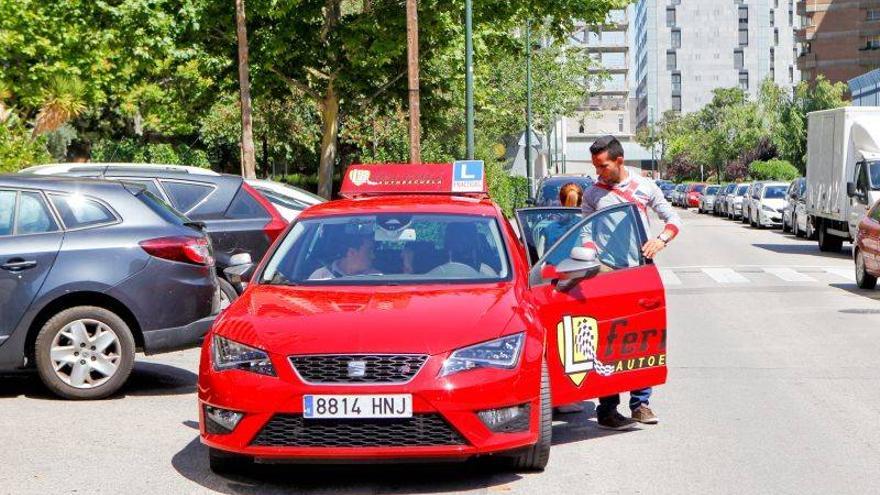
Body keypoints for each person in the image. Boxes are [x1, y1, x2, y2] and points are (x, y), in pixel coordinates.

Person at [581, 135, 682, 430]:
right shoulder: (593, 194)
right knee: (605, 341)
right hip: (605, 273)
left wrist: (661, 240)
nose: (599, 172)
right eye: (596, 166)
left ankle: (641, 404)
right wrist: (588, 254)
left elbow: (673, 218)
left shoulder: (644, 187)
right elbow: (585, 231)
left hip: (639, 271)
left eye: (603, 166)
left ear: (619, 161)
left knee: (641, 336)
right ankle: (608, 408)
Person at [537, 182, 583, 258]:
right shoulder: (587, 227)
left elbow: (540, 261)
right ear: (581, 202)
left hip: (554, 269)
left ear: (560, 202)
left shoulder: (549, 229)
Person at [309, 235, 380, 279]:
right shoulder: (321, 275)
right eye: (369, 251)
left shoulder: (375, 277)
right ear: (352, 253)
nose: (373, 256)